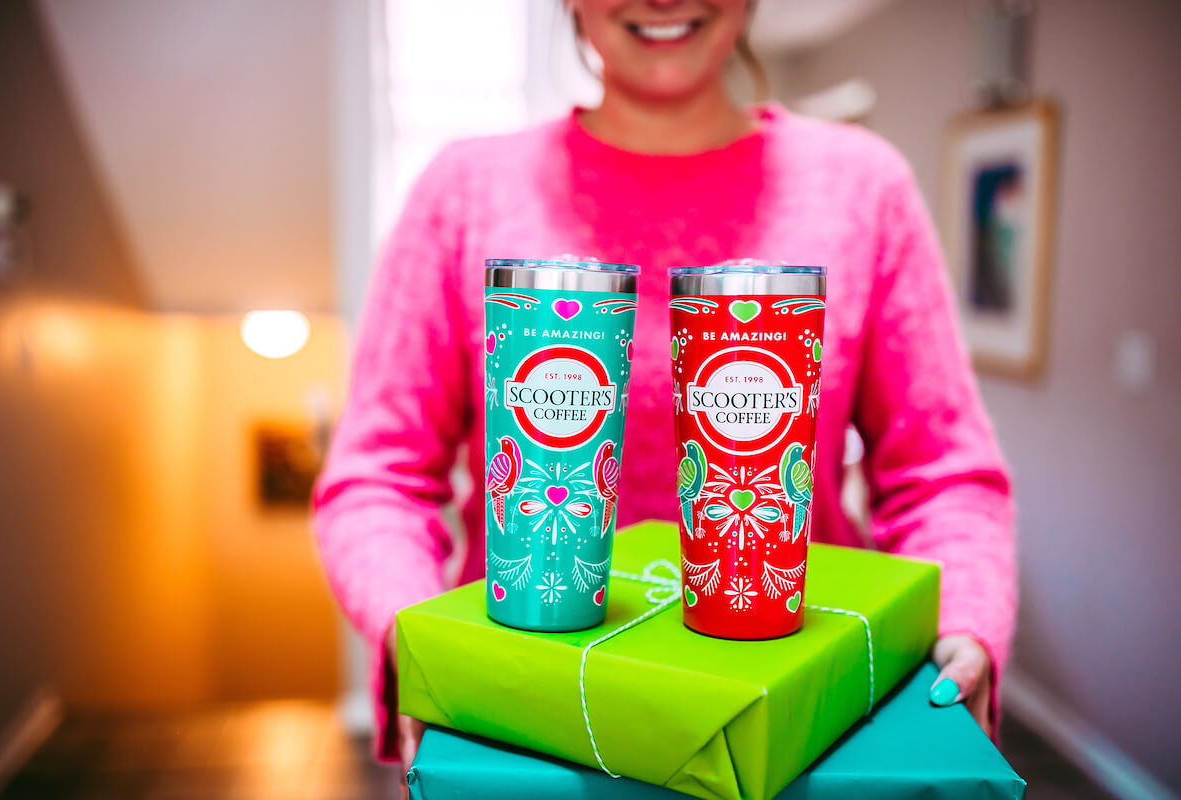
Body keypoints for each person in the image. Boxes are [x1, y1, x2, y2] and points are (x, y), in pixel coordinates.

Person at [313, 0, 1016, 782]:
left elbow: (944, 476)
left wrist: (966, 621)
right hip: (521, 717)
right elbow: (376, 479)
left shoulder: (864, 187)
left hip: (791, 721)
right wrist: (422, 645)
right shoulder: (462, 191)